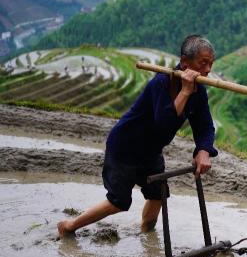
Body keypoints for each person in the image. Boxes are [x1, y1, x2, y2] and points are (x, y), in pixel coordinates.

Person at [58, 35, 218, 237]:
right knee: (119, 202)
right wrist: (185, 92)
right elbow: (163, 123)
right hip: (126, 146)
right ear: (185, 62)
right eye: (203, 63)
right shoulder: (161, 83)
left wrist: (203, 150)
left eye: (211, 64)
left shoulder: (199, 91)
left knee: (158, 194)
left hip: (150, 151)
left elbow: (205, 126)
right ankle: (69, 226)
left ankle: (146, 237)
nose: (208, 70)